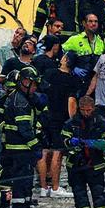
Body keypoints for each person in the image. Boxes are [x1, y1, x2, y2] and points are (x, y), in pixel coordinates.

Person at [61, 95, 105, 208]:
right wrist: (70, 142)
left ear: (93, 108)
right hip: (76, 165)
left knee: (99, 195)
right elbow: (63, 140)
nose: (86, 113)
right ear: (79, 109)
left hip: (95, 164)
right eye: (83, 110)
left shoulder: (101, 122)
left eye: (89, 110)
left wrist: (96, 144)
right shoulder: (71, 123)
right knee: (80, 195)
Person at [1, 67, 43, 208]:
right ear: (25, 82)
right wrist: (36, 145)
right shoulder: (21, 102)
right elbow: (24, 128)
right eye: (34, 84)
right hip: (21, 148)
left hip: (19, 147)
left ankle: (25, 205)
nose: (36, 88)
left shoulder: (20, 97)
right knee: (21, 180)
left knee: (26, 178)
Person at [38, 52, 77, 198]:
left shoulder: (49, 73)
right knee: (57, 152)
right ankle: (55, 187)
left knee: (43, 151)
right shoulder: (72, 80)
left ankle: (43, 187)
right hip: (60, 118)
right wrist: (72, 122)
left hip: (46, 115)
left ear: (65, 60)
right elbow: (71, 102)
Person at [62, 13, 105, 96]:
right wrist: (72, 68)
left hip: (96, 83)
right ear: (84, 23)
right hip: (78, 82)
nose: (93, 24)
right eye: (90, 21)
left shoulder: (101, 40)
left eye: (96, 21)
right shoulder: (75, 39)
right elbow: (61, 54)